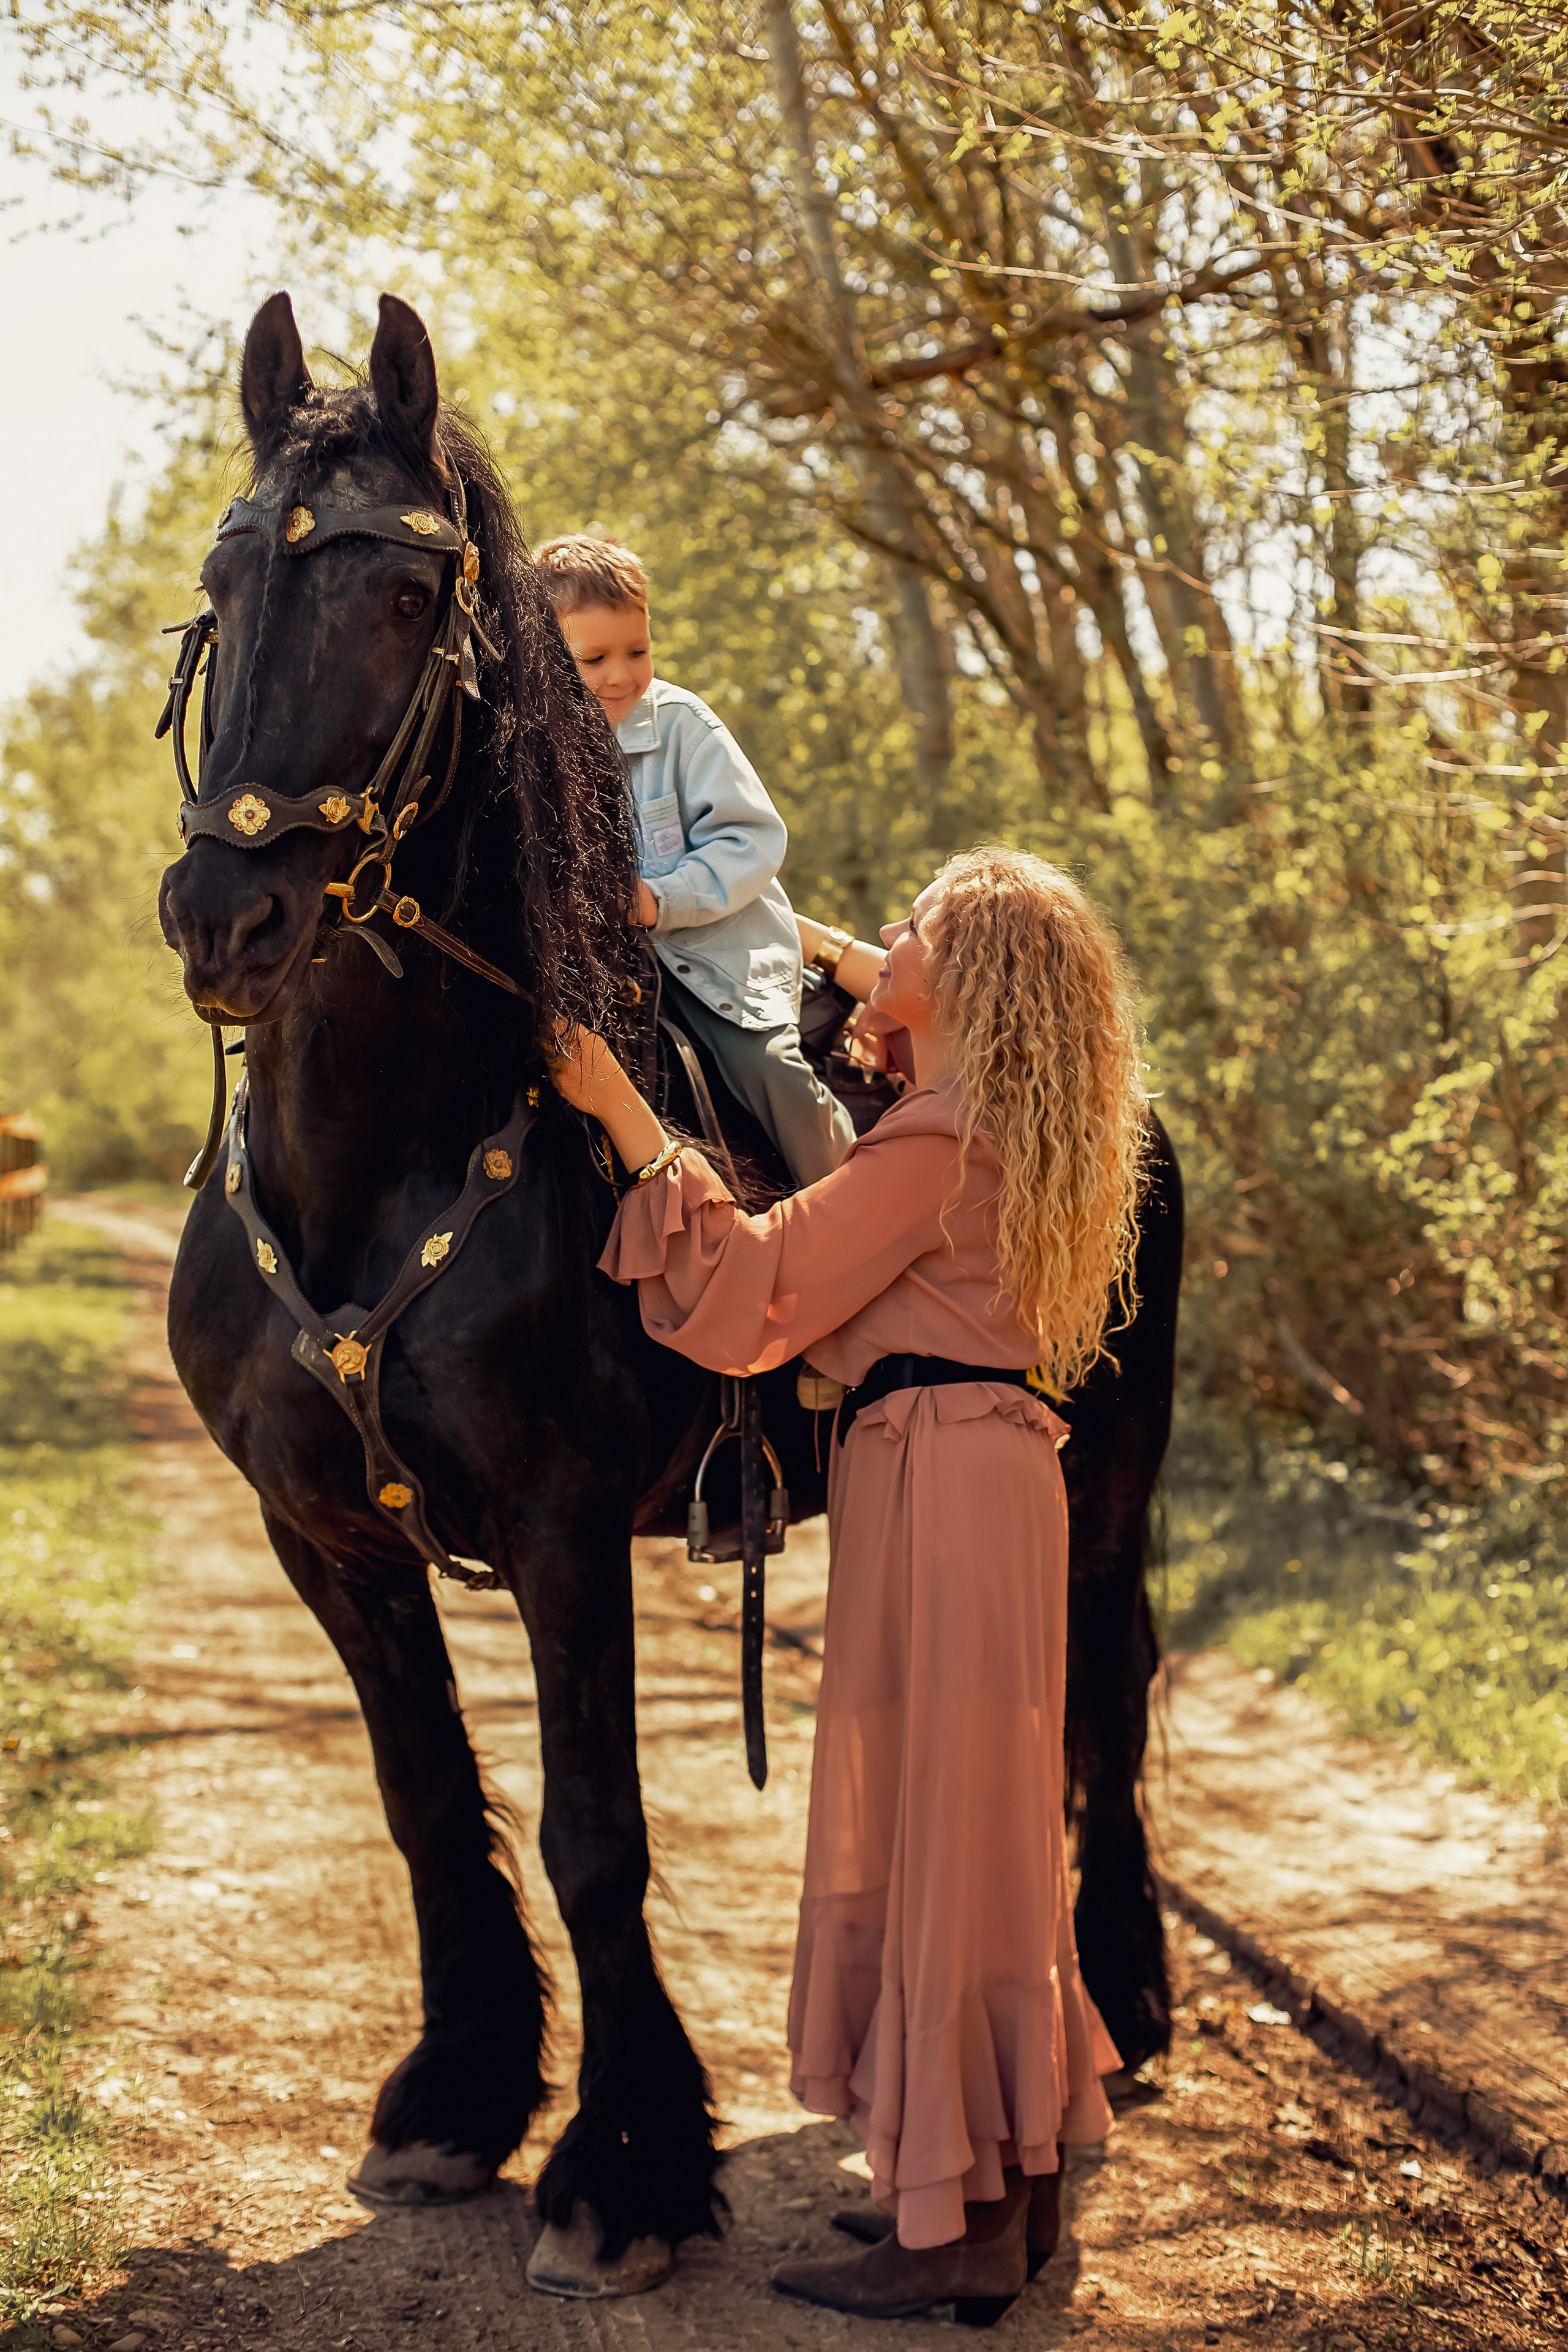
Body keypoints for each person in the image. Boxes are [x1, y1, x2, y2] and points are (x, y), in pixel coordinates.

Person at [549, 846, 1144, 2323]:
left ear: (973, 979)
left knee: (952, 1836)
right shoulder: (974, 1122)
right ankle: (996, 2198)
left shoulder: (936, 1140)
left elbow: (753, 1291)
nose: (886, 932)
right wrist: (823, 958)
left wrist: (617, 1108)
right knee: (983, 1837)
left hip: (939, 1476)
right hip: (969, 1468)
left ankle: (947, 2232)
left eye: (917, 926)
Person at [533, 533, 853, 1186]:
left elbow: (751, 842)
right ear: (543, 651)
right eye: (593, 659)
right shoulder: (532, 742)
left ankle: (851, 1194)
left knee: (770, 1070)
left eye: (637, 651)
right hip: (596, 969)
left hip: (711, 962)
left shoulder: (681, 725)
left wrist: (661, 899)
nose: (620, 674)